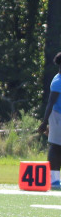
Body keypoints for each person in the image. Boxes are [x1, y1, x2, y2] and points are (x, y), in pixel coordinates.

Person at [40, 51, 61, 191]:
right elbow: (50, 103)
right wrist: (44, 122)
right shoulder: (58, 81)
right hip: (58, 116)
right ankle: (54, 180)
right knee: (55, 146)